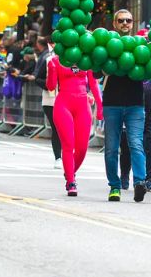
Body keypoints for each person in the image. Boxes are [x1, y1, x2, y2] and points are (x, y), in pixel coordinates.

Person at [101, 9, 147, 202]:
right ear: (114, 23)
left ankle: (139, 182)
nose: (125, 23)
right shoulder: (105, 45)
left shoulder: (141, 44)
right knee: (111, 147)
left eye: (128, 20)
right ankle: (114, 186)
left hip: (135, 102)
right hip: (112, 103)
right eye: (121, 20)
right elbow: (97, 71)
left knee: (136, 143)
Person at [46, 55, 103, 197]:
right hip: (63, 104)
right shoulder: (55, 60)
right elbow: (51, 86)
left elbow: (94, 83)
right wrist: (51, 69)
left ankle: (70, 172)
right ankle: (71, 182)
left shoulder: (85, 59)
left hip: (83, 104)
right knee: (68, 145)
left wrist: (100, 106)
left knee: (82, 148)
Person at [33, 37, 61, 168]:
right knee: (57, 128)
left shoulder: (74, 59)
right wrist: (50, 85)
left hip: (69, 98)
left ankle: (67, 155)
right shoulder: (48, 59)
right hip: (51, 101)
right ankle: (58, 157)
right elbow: (37, 78)